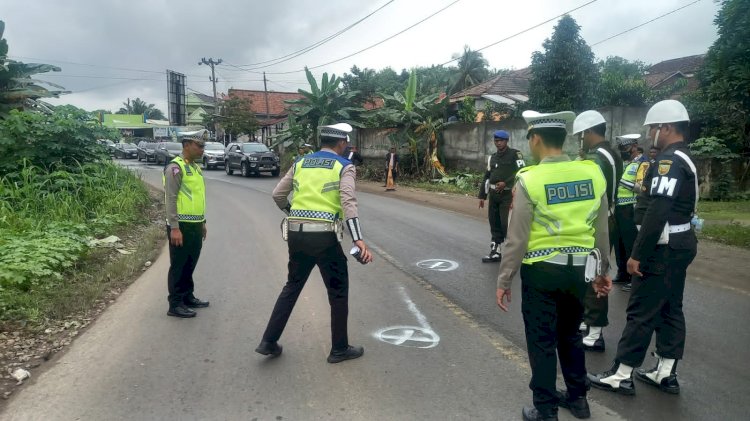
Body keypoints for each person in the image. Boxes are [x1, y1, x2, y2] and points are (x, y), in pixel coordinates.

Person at [496, 110, 611, 421]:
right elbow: (601, 230)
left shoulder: (530, 179)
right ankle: (578, 400)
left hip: (542, 273)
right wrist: (603, 272)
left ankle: (546, 410)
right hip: (579, 273)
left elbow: (516, 239)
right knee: (571, 334)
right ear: (563, 139)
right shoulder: (592, 173)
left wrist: (504, 280)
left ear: (535, 139)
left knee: (542, 341)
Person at [588, 100, 699, 396]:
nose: (651, 135)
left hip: (663, 247)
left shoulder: (668, 162)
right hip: (681, 243)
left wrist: (636, 254)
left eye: (653, 128)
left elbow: (657, 211)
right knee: (670, 307)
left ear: (667, 127)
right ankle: (665, 372)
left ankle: (622, 373)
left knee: (641, 309)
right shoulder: (685, 157)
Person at [256, 123, 374, 363]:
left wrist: (293, 214)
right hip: (324, 237)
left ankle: (268, 341)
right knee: (338, 290)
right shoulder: (344, 166)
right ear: (341, 143)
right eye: (346, 144)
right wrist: (358, 239)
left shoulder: (300, 162)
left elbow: (277, 194)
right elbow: (348, 203)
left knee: (292, 286)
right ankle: (339, 348)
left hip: (296, 234)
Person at [572, 110, 623, 353]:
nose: (581, 139)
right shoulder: (610, 153)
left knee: (595, 270)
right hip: (607, 216)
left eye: (582, 134)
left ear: (590, 132)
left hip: (597, 220)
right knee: (590, 270)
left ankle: (595, 332)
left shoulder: (596, 159)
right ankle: (588, 322)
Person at [163, 135, 210, 318]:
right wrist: (174, 227)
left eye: (203, 146)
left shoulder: (195, 168)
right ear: (187, 145)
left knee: (190, 262)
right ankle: (175, 304)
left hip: (195, 224)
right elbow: (171, 198)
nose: (202, 149)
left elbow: (198, 197)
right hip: (180, 225)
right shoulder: (175, 168)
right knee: (179, 265)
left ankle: (187, 296)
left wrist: (203, 222)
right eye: (199, 146)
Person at [478, 130, 525, 263]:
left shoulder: (515, 155)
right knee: (494, 223)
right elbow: (487, 177)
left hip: (508, 195)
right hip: (494, 195)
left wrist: (507, 183)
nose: (498, 143)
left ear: (506, 141)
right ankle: (495, 252)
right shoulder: (492, 157)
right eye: (496, 141)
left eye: (501, 141)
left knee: (507, 224)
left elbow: (522, 171)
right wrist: (482, 196)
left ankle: (514, 253)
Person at [613, 135, 647, 292]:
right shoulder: (628, 164)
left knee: (630, 242)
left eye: (624, 148)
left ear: (634, 146)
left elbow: (641, 187)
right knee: (619, 242)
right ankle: (622, 274)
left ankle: (634, 278)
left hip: (631, 207)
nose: (622, 151)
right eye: (621, 149)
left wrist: (621, 181)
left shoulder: (643, 163)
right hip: (620, 207)